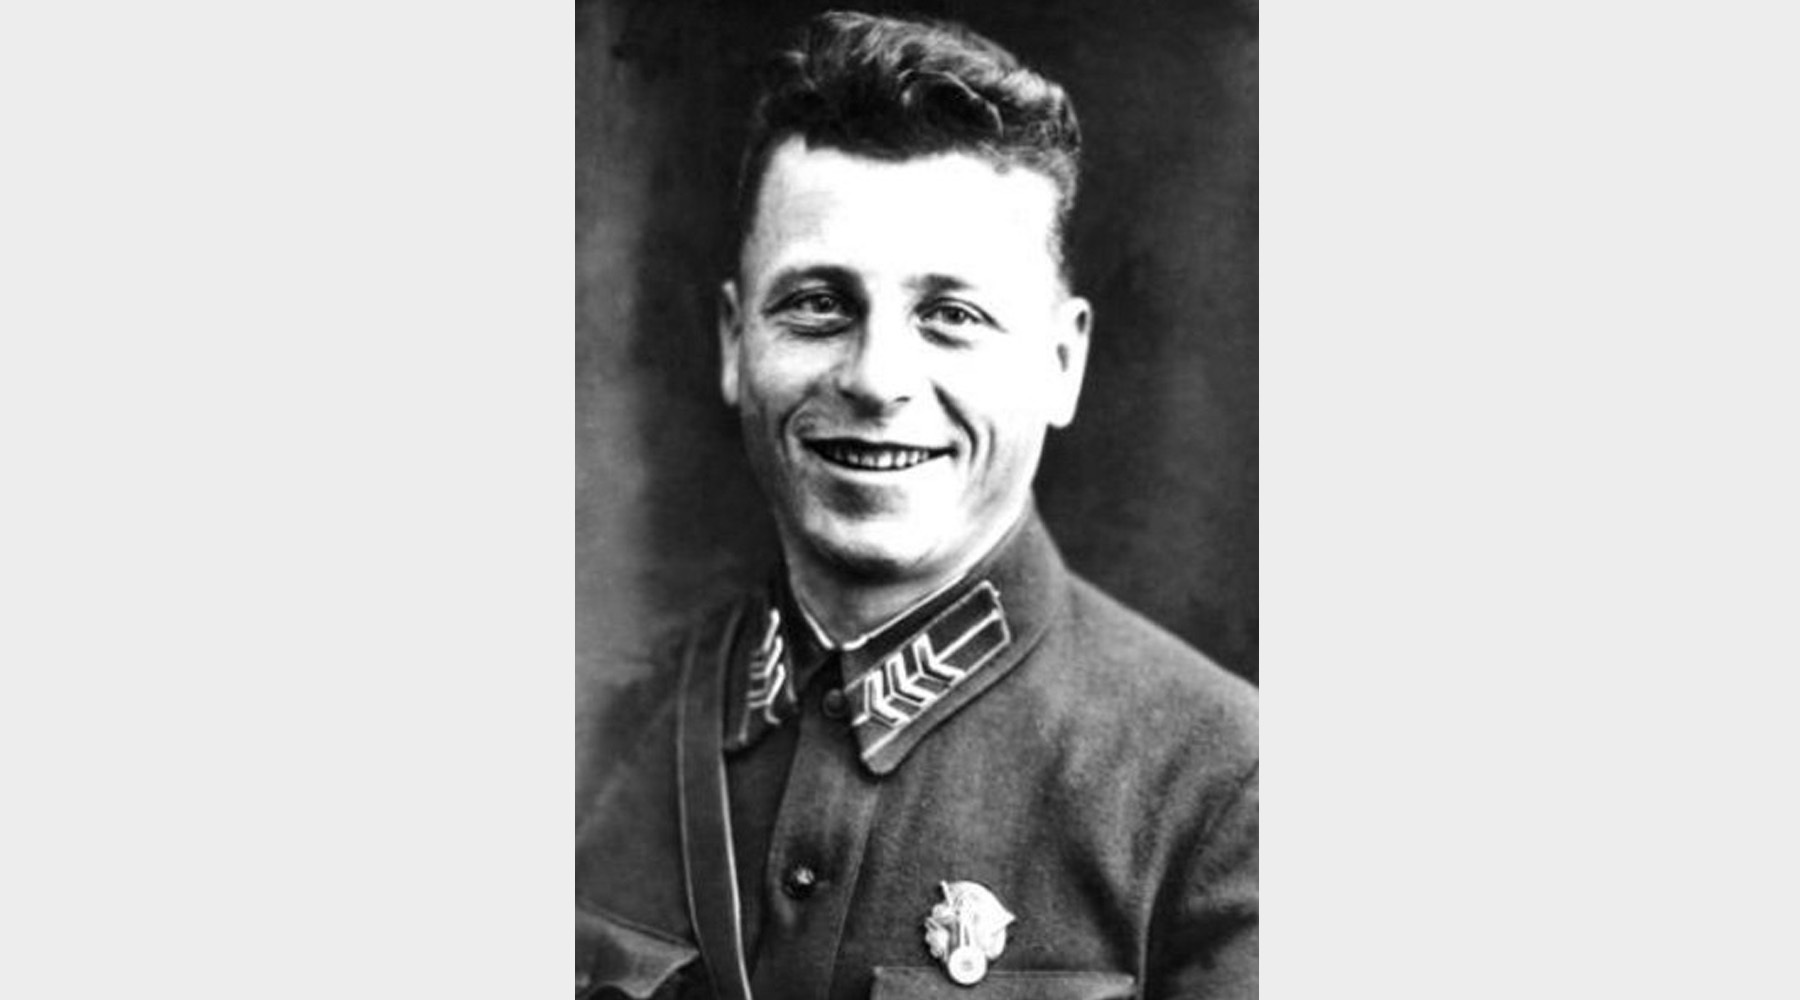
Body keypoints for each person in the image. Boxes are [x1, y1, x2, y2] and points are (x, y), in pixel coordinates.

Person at [576, 11, 1257, 999]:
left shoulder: (1225, 794)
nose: (876, 379)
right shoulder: (597, 735)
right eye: (818, 303)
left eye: (952, 315)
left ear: (1062, 363)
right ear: (733, 341)